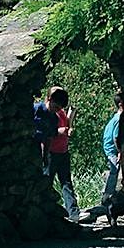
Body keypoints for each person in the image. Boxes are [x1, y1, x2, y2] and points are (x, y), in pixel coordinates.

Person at [34, 86, 80, 222]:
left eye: (60, 107)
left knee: (65, 182)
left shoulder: (54, 117)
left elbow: (48, 137)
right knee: (46, 182)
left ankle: (72, 214)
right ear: (49, 99)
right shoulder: (36, 109)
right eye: (56, 106)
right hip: (45, 152)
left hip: (56, 152)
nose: (57, 109)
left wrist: (44, 155)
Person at [100, 92, 124, 212]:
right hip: (112, 149)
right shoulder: (120, 118)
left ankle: (109, 194)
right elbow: (115, 137)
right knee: (114, 170)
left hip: (110, 147)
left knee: (114, 170)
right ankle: (108, 195)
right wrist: (120, 151)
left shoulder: (117, 116)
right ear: (121, 104)